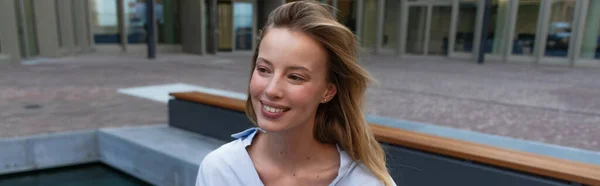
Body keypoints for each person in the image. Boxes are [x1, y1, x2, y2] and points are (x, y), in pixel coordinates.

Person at [196, 1, 396, 186]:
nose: (272, 90)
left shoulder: (365, 181)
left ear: (328, 91)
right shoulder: (220, 171)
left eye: (295, 77)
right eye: (264, 70)